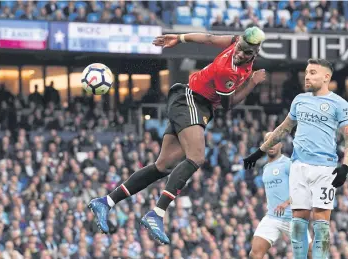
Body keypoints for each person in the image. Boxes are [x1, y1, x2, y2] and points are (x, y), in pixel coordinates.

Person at [88, 27, 267, 244]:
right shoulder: (226, 70)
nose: (239, 53)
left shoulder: (238, 43)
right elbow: (228, 104)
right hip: (191, 100)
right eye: (239, 49)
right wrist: (252, 83)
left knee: (163, 166)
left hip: (194, 105)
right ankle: (157, 213)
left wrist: (180, 38)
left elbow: (209, 38)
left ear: (254, 53)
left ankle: (106, 201)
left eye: (245, 52)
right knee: (197, 157)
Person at [244, 59, 348, 258]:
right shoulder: (300, 100)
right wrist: (260, 151)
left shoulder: (339, 103)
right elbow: (284, 128)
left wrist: (345, 166)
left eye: (313, 72)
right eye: (306, 72)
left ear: (326, 77)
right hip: (298, 166)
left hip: (324, 169)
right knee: (298, 224)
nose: (307, 76)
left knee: (321, 224)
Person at [249, 132, 312, 259]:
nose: (271, 145)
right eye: (268, 142)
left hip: (292, 218)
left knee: (311, 254)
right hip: (272, 217)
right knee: (255, 253)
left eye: (275, 141)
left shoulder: (288, 164)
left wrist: (286, 203)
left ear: (281, 145)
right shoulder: (265, 168)